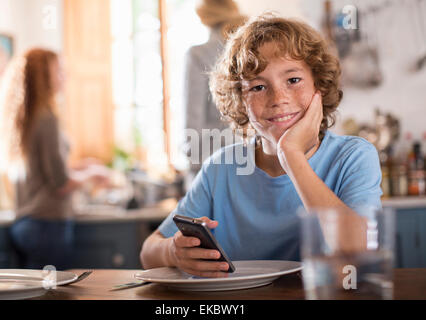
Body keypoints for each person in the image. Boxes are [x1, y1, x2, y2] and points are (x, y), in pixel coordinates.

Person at [140, 13, 383, 278]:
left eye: (293, 80)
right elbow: (148, 252)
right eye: (257, 87)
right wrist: (173, 253)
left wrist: (291, 156)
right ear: (240, 100)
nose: (278, 98)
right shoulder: (221, 169)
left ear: (319, 86)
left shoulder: (353, 156)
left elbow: (359, 253)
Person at [0, 48, 110, 269]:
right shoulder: (47, 118)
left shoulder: (24, 120)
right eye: (59, 71)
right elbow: (61, 184)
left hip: (25, 225)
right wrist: (94, 174)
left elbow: (42, 172)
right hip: (47, 226)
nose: (64, 77)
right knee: (51, 294)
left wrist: (81, 166)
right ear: (43, 78)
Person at [183, 0, 247, 183]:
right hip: (255, 163)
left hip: (213, 167)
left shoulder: (198, 54)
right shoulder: (251, 47)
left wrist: (191, 167)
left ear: (203, 15)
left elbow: (192, 124)